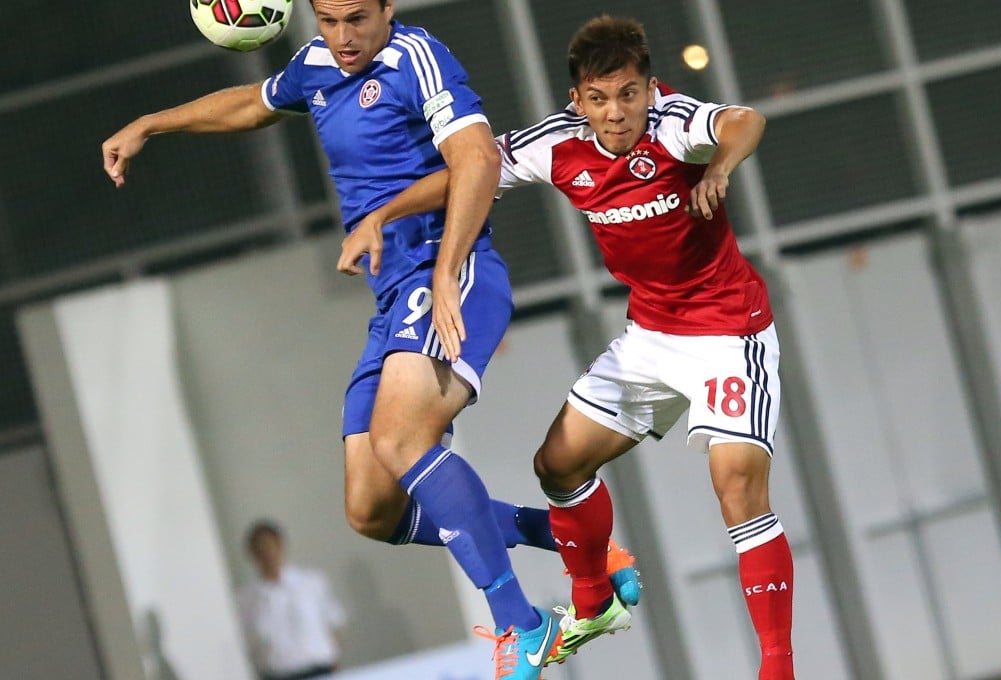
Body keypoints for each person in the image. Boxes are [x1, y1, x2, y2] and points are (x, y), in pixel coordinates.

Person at [100, 3, 638, 677]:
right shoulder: (317, 65)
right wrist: (152, 123)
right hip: (392, 298)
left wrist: (446, 273)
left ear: (387, 8)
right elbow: (252, 104)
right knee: (372, 508)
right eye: (327, 19)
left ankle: (521, 626)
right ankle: (571, 542)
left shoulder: (419, 58)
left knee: (401, 439)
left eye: (358, 17)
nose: (343, 36)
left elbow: (476, 160)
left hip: (449, 266)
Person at [339, 14, 796, 679]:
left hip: (730, 334)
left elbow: (745, 119)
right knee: (557, 466)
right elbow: (474, 170)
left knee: (735, 487)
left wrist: (719, 165)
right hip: (651, 336)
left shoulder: (675, 122)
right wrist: (383, 215)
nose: (618, 114)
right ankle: (592, 599)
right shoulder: (559, 142)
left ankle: (777, 667)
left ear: (649, 89)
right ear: (577, 101)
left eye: (630, 95)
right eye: (602, 99)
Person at [237, 521, 346, 680]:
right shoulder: (246, 599)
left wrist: (335, 662)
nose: (266, 554)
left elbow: (333, 623)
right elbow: (249, 643)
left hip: (319, 668)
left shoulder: (311, 582)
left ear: (280, 545)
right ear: (252, 554)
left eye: (269, 546)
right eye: (259, 549)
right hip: (277, 674)